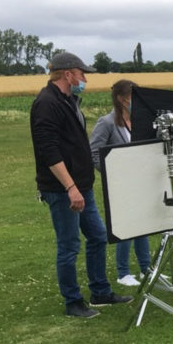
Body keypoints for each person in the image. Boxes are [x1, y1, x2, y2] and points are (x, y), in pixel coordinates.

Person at [30, 51, 132, 318]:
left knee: (98, 236)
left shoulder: (68, 101)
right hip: (63, 189)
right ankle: (73, 302)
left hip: (82, 185)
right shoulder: (46, 103)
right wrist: (70, 187)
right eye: (81, 73)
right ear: (68, 74)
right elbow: (49, 151)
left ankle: (100, 292)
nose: (84, 78)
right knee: (69, 245)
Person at [89, 79, 152, 286]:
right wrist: (112, 174)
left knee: (143, 224)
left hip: (140, 182)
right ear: (122, 99)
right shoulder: (106, 123)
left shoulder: (140, 120)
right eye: (134, 96)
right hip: (120, 184)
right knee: (126, 226)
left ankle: (146, 268)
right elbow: (94, 153)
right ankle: (123, 272)